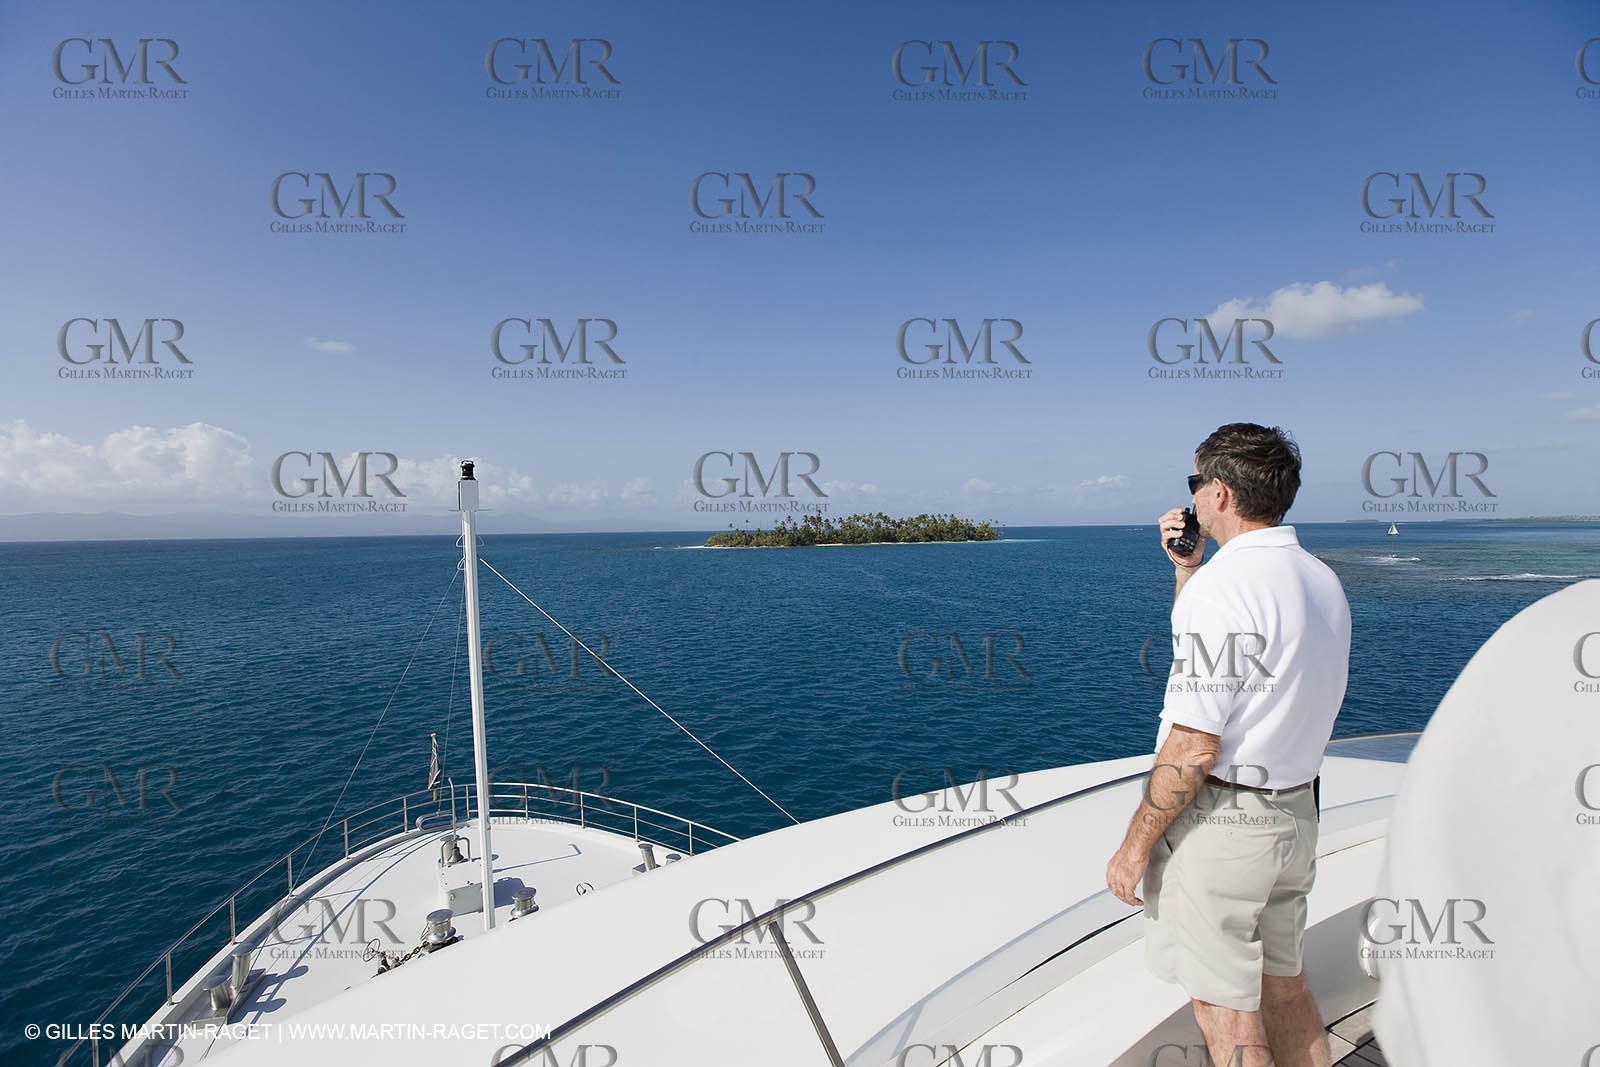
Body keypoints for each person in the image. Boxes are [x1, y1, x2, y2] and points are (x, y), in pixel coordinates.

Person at [1105, 423, 1351, 1067]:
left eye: (1193, 484)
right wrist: (1189, 570)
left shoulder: (1225, 590)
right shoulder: (1319, 579)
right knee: (1286, 989)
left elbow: (1192, 746)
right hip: (1294, 815)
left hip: (1223, 829)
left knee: (1229, 1022)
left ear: (1217, 492)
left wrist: (1134, 849)